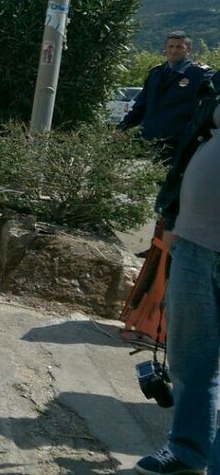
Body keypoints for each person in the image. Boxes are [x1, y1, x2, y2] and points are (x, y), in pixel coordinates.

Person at [136, 73, 220, 475]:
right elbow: (190, 144)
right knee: (191, 360)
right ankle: (188, 451)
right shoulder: (215, 85)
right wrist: (171, 214)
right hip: (193, 241)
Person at [118, 31, 213, 162]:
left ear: (189, 50)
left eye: (179, 47)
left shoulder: (200, 75)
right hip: (151, 140)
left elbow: (205, 110)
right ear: (165, 49)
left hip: (179, 143)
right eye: (171, 46)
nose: (174, 50)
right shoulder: (155, 73)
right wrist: (121, 129)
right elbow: (140, 107)